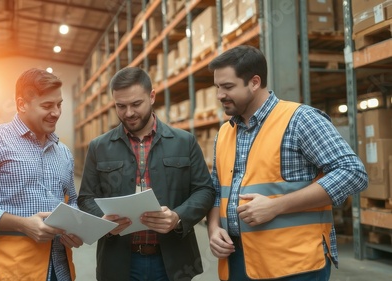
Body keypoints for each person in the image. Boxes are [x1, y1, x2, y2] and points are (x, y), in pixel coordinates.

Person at [206, 45, 368, 281]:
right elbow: (216, 188)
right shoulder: (225, 132)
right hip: (238, 261)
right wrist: (213, 228)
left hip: (295, 265)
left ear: (254, 82)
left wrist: (276, 206)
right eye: (217, 87)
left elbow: (353, 173)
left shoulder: (301, 119)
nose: (220, 95)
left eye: (228, 87)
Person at [78, 66, 215, 281]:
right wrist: (103, 222)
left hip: (171, 261)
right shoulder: (99, 147)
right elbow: (86, 197)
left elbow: (204, 190)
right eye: (120, 106)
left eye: (136, 104)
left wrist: (178, 217)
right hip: (119, 262)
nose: (129, 113)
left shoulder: (184, 142)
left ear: (152, 97)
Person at [0, 68, 83, 281]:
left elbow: (72, 202)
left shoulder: (63, 152)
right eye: (47, 106)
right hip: (8, 271)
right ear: (22, 104)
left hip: (59, 269)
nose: (57, 112)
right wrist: (22, 224)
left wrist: (77, 228)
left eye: (59, 104)